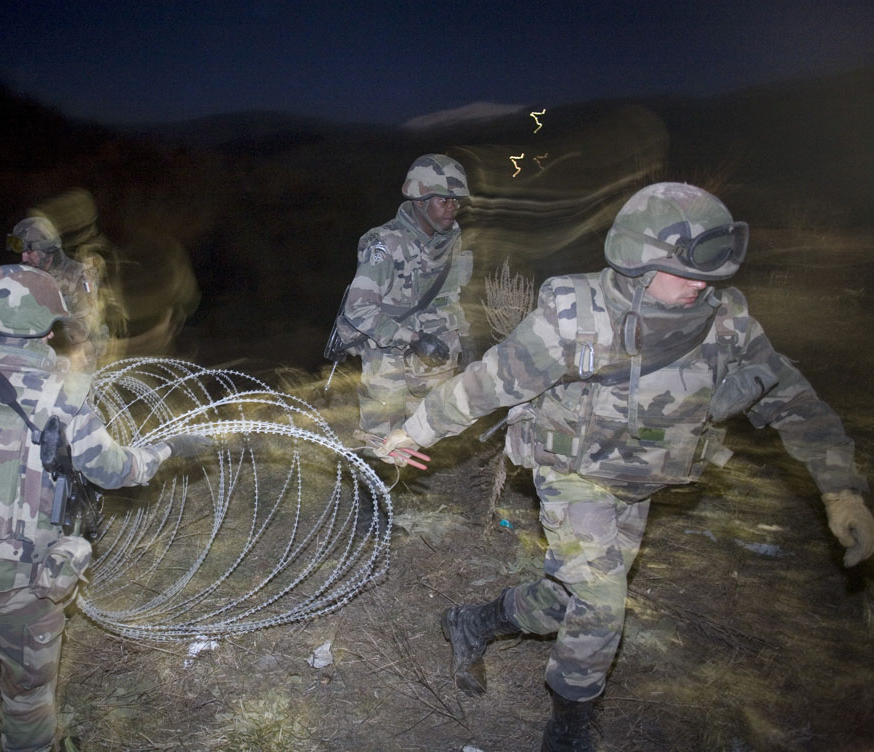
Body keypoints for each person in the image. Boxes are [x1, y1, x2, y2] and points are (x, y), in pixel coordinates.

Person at [375, 182, 874, 751]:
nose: (699, 286)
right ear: (636, 260)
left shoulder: (728, 324)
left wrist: (842, 492)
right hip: (569, 473)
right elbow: (487, 382)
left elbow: (799, 406)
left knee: (565, 599)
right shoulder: (576, 316)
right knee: (603, 601)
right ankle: (568, 731)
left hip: (638, 486)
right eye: (683, 272)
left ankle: (474, 623)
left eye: (709, 276)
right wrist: (412, 431)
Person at [0, 264, 208, 752]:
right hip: (22, 578)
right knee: (28, 690)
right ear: (49, 327)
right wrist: (168, 450)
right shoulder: (60, 393)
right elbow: (113, 471)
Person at [337, 153, 474, 443]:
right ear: (420, 201)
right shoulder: (386, 244)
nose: (452, 209)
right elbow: (358, 309)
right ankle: (376, 486)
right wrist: (413, 339)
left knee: (422, 439)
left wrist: (465, 335)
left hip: (434, 361)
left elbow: (449, 296)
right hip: (390, 364)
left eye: (455, 201)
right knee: (382, 444)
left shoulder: (450, 238)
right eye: (443, 200)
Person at [7, 212, 109, 365]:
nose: (24, 258)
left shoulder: (80, 275)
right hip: (37, 349)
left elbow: (84, 324)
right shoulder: (26, 272)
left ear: (46, 249)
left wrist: (45, 331)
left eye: (29, 252)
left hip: (75, 349)